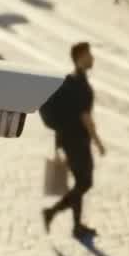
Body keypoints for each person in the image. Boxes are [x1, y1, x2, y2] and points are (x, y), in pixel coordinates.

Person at [42, 42, 105, 239]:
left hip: (65, 139)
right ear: (79, 58)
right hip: (77, 142)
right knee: (85, 183)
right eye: (89, 55)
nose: (92, 58)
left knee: (80, 182)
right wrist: (98, 142)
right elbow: (85, 117)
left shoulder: (70, 80)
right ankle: (51, 212)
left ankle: (77, 226)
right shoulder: (82, 86)